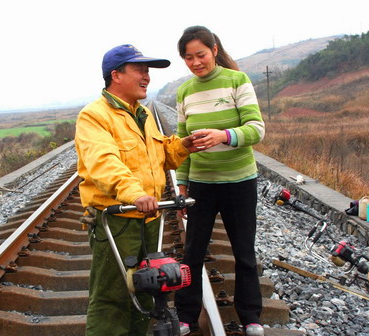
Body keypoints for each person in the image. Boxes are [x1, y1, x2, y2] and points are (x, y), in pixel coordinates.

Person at [74, 44, 209, 336]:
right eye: (140, 70)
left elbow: (159, 157)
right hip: (117, 220)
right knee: (111, 297)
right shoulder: (95, 116)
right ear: (116, 75)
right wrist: (134, 194)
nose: (146, 76)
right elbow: (104, 163)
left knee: (146, 291)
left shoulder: (142, 115)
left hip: (148, 219)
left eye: (148, 71)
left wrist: (182, 146)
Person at [173, 26, 266, 336]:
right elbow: (182, 145)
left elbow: (256, 129)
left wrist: (224, 135)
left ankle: (250, 316)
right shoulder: (185, 91)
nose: (196, 62)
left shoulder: (237, 81)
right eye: (189, 58)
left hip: (239, 181)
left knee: (244, 252)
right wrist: (181, 186)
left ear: (214, 50)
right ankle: (186, 315)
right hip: (201, 184)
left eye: (200, 55)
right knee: (192, 254)